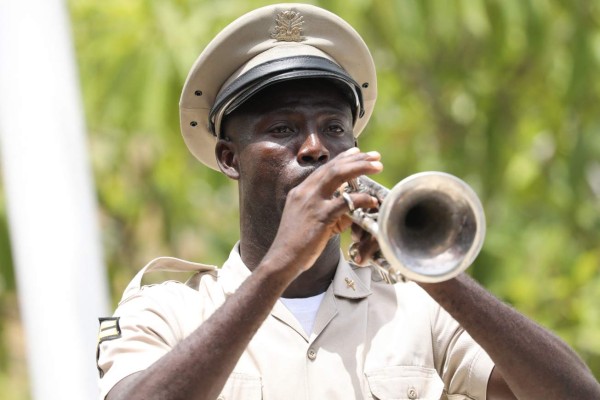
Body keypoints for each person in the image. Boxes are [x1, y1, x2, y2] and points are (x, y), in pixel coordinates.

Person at [96, 4, 600, 399]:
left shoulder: (417, 308)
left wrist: (431, 269)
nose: (316, 147)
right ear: (230, 158)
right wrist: (277, 270)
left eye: (335, 128)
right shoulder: (169, 309)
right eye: (283, 129)